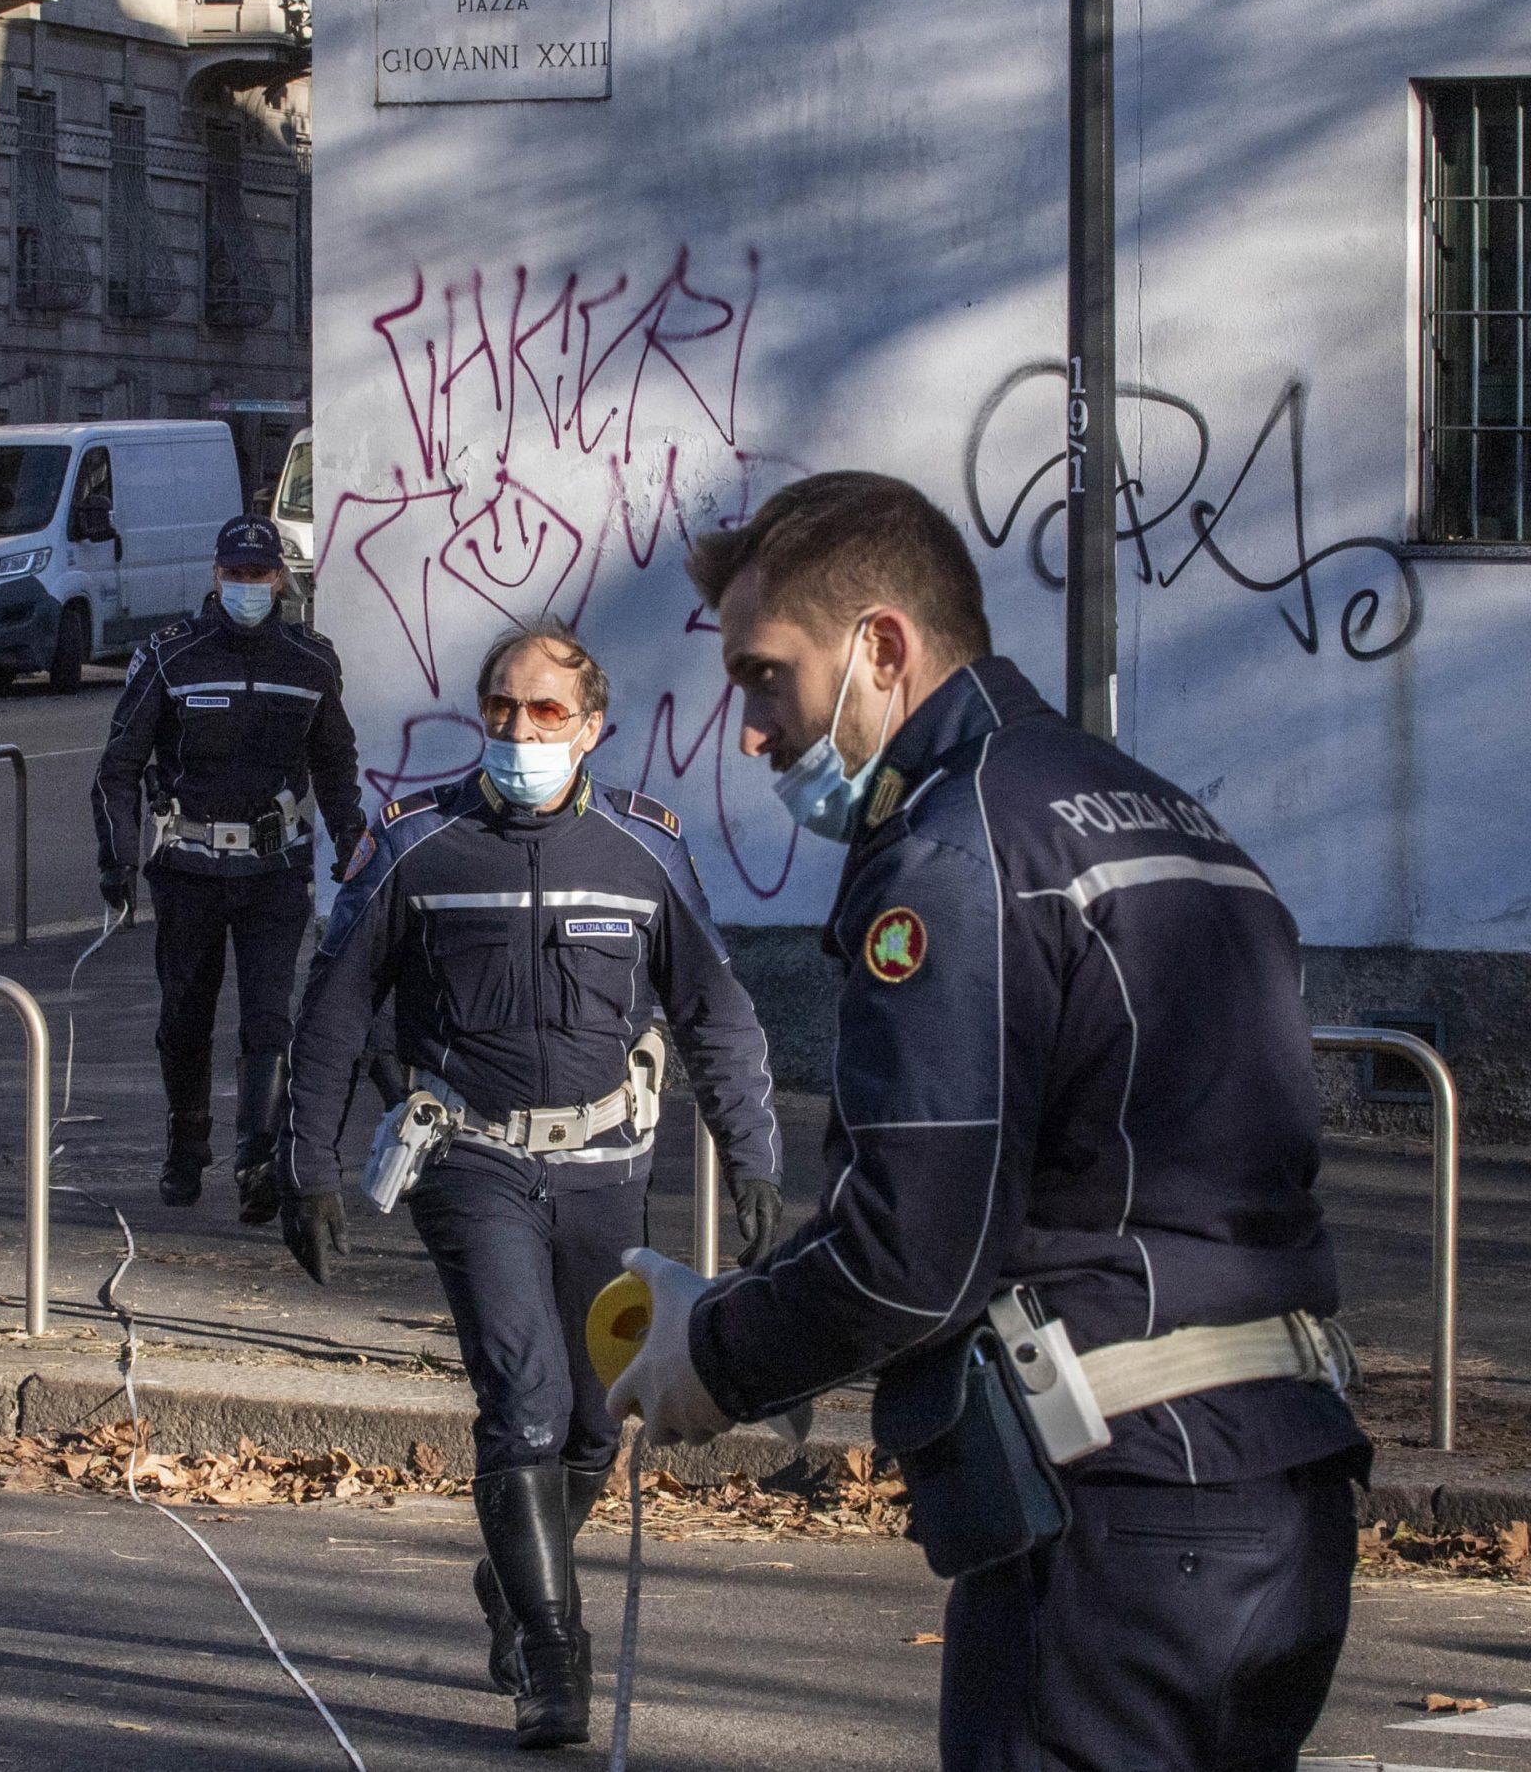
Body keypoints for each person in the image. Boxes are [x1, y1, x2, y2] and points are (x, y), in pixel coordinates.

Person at [608, 473, 1367, 1770]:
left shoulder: (952, 850)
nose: (747, 729)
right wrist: (738, 1297)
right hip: (1283, 1491)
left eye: (762, 676)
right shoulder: (1154, 810)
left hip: (1116, 1516)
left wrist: (717, 1351)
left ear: (881, 650)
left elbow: (922, 1253)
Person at [279, 617, 784, 1750]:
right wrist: (303, 1166)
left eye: (544, 712)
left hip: (607, 1165)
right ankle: (551, 1656)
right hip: (472, 1160)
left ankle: (513, 1575)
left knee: (599, 1425)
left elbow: (716, 1010)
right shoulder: (420, 844)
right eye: (501, 708)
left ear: (591, 726)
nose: (518, 730)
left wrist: (754, 1155)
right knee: (523, 1401)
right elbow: (331, 1014)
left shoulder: (643, 848)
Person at [92, 512, 365, 1219]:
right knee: (185, 1018)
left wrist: (352, 841)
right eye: (235, 574)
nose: (248, 585)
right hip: (187, 871)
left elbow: (335, 763)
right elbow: (119, 765)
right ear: (216, 575)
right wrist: (118, 860)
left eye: (259, 574)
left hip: (274, 872)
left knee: (269, 1020)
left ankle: (257, 1159)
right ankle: (187, 1146)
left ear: (280, 578)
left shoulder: (310, 662)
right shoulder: (172, 656)